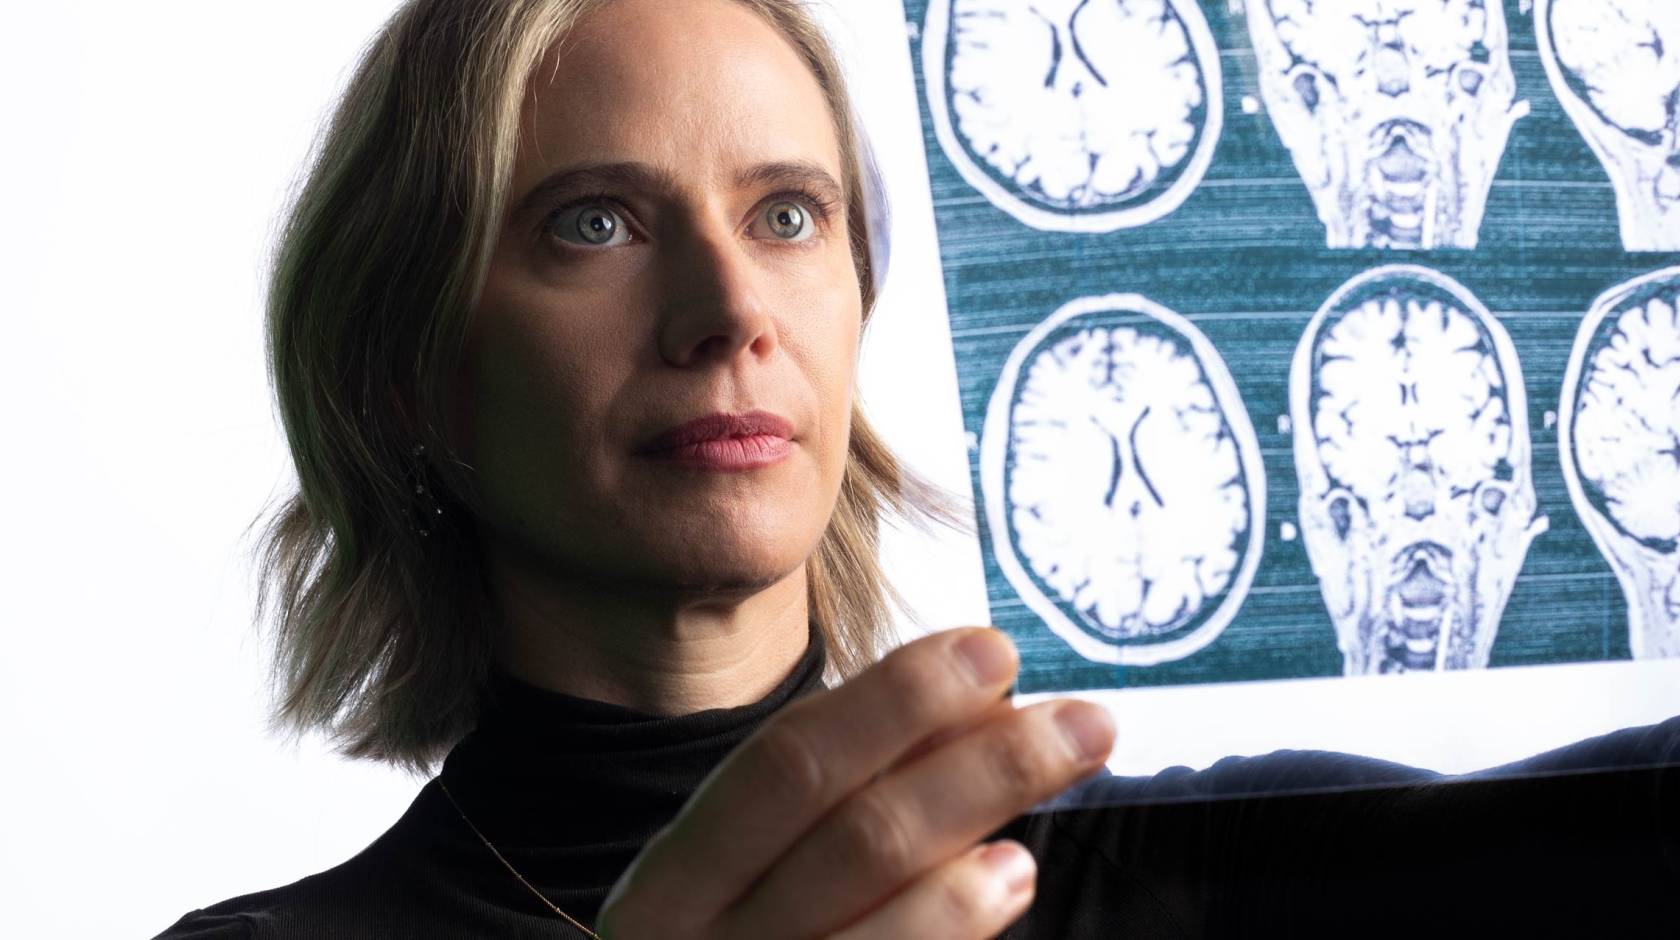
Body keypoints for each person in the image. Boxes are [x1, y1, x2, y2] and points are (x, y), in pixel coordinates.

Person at [154, 0, 1680, 937]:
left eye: (788, 216)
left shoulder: (1170, 873)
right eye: (594, 223)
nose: (731, 313)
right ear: (405, 370)